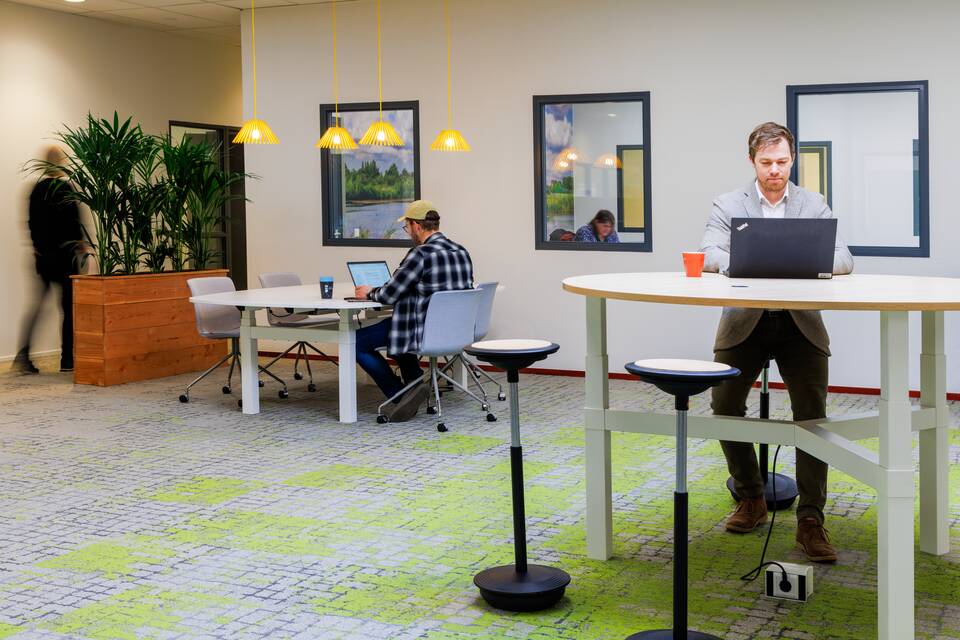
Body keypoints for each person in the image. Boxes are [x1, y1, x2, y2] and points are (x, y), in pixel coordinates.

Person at [699, 122, 854, 563]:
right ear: (752, 161)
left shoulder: (813, 203)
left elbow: (844, 257)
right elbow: (709, 251)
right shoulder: (728, 203)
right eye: (766, 163)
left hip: (799, 323)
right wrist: (749, 262)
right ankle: (751, 497)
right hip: (744, 321)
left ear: (792, 160)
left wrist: (797, 261)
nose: (775, 171)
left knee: (812, 416)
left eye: (782, 162)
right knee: (724, 405)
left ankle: (810, 519)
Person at [354, 200, 474, 422]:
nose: (408, 232)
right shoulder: (461, 251)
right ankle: (413, 385)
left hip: (422, 330)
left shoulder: (420, 254)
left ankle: (400, 395)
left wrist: (369, 292)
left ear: (417, 226)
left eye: (407, 227)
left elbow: (389, 294)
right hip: (455, 330)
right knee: (398, 324)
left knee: (356, 342)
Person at [14, 146, 85, 375]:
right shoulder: (66, 189)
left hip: (44, 258)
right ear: (61, 162)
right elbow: (75, 224)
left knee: (38, 307)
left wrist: (37, 249)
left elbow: (31, 223)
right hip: (65, 258)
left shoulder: (37, 189)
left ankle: (23, 355)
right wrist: (81, 248)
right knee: (67, 308)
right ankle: (67, 361)